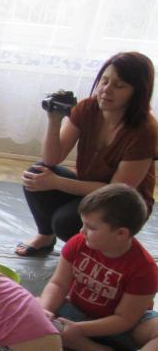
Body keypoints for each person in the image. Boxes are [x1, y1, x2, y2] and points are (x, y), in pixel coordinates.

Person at [18, 51, 157, 256]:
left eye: (119, 86)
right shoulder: (88, 108)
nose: (106, 90)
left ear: (137, 93)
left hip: (122, 202)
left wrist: (57, 182)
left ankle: (103, 247)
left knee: (66, 222)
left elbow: (116, 190)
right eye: (104, 81)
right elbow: (52, 158)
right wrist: (54, 121)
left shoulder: (145, 131)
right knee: (37, 173)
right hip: (89, 185)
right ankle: (45, 236)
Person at [39, 184, 158, 351]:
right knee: (30, 307)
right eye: (83, 224)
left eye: (91, 227)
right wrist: (44, 311)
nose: (81, 230)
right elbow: (58, 284)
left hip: (120, 326)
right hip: (75, 312)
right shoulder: (78, 242)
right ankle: (95, 350)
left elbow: (125, 319)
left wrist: (81, 329)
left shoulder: (144, 270)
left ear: (121, 233)